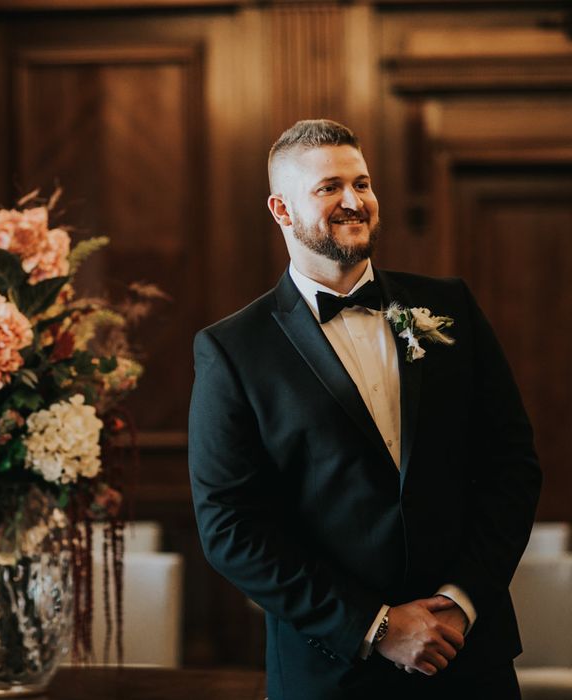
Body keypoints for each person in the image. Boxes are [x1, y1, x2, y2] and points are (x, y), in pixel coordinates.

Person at [188, 119, 541, 699]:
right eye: (329, 187)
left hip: (468, 660)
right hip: (331, 671)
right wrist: (375, 626)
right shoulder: (234, 350)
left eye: (363, 183)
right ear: (281, 209)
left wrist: (460, 601)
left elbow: (512, 467)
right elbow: (231, 527)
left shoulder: (447, 307)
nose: (354, 201)